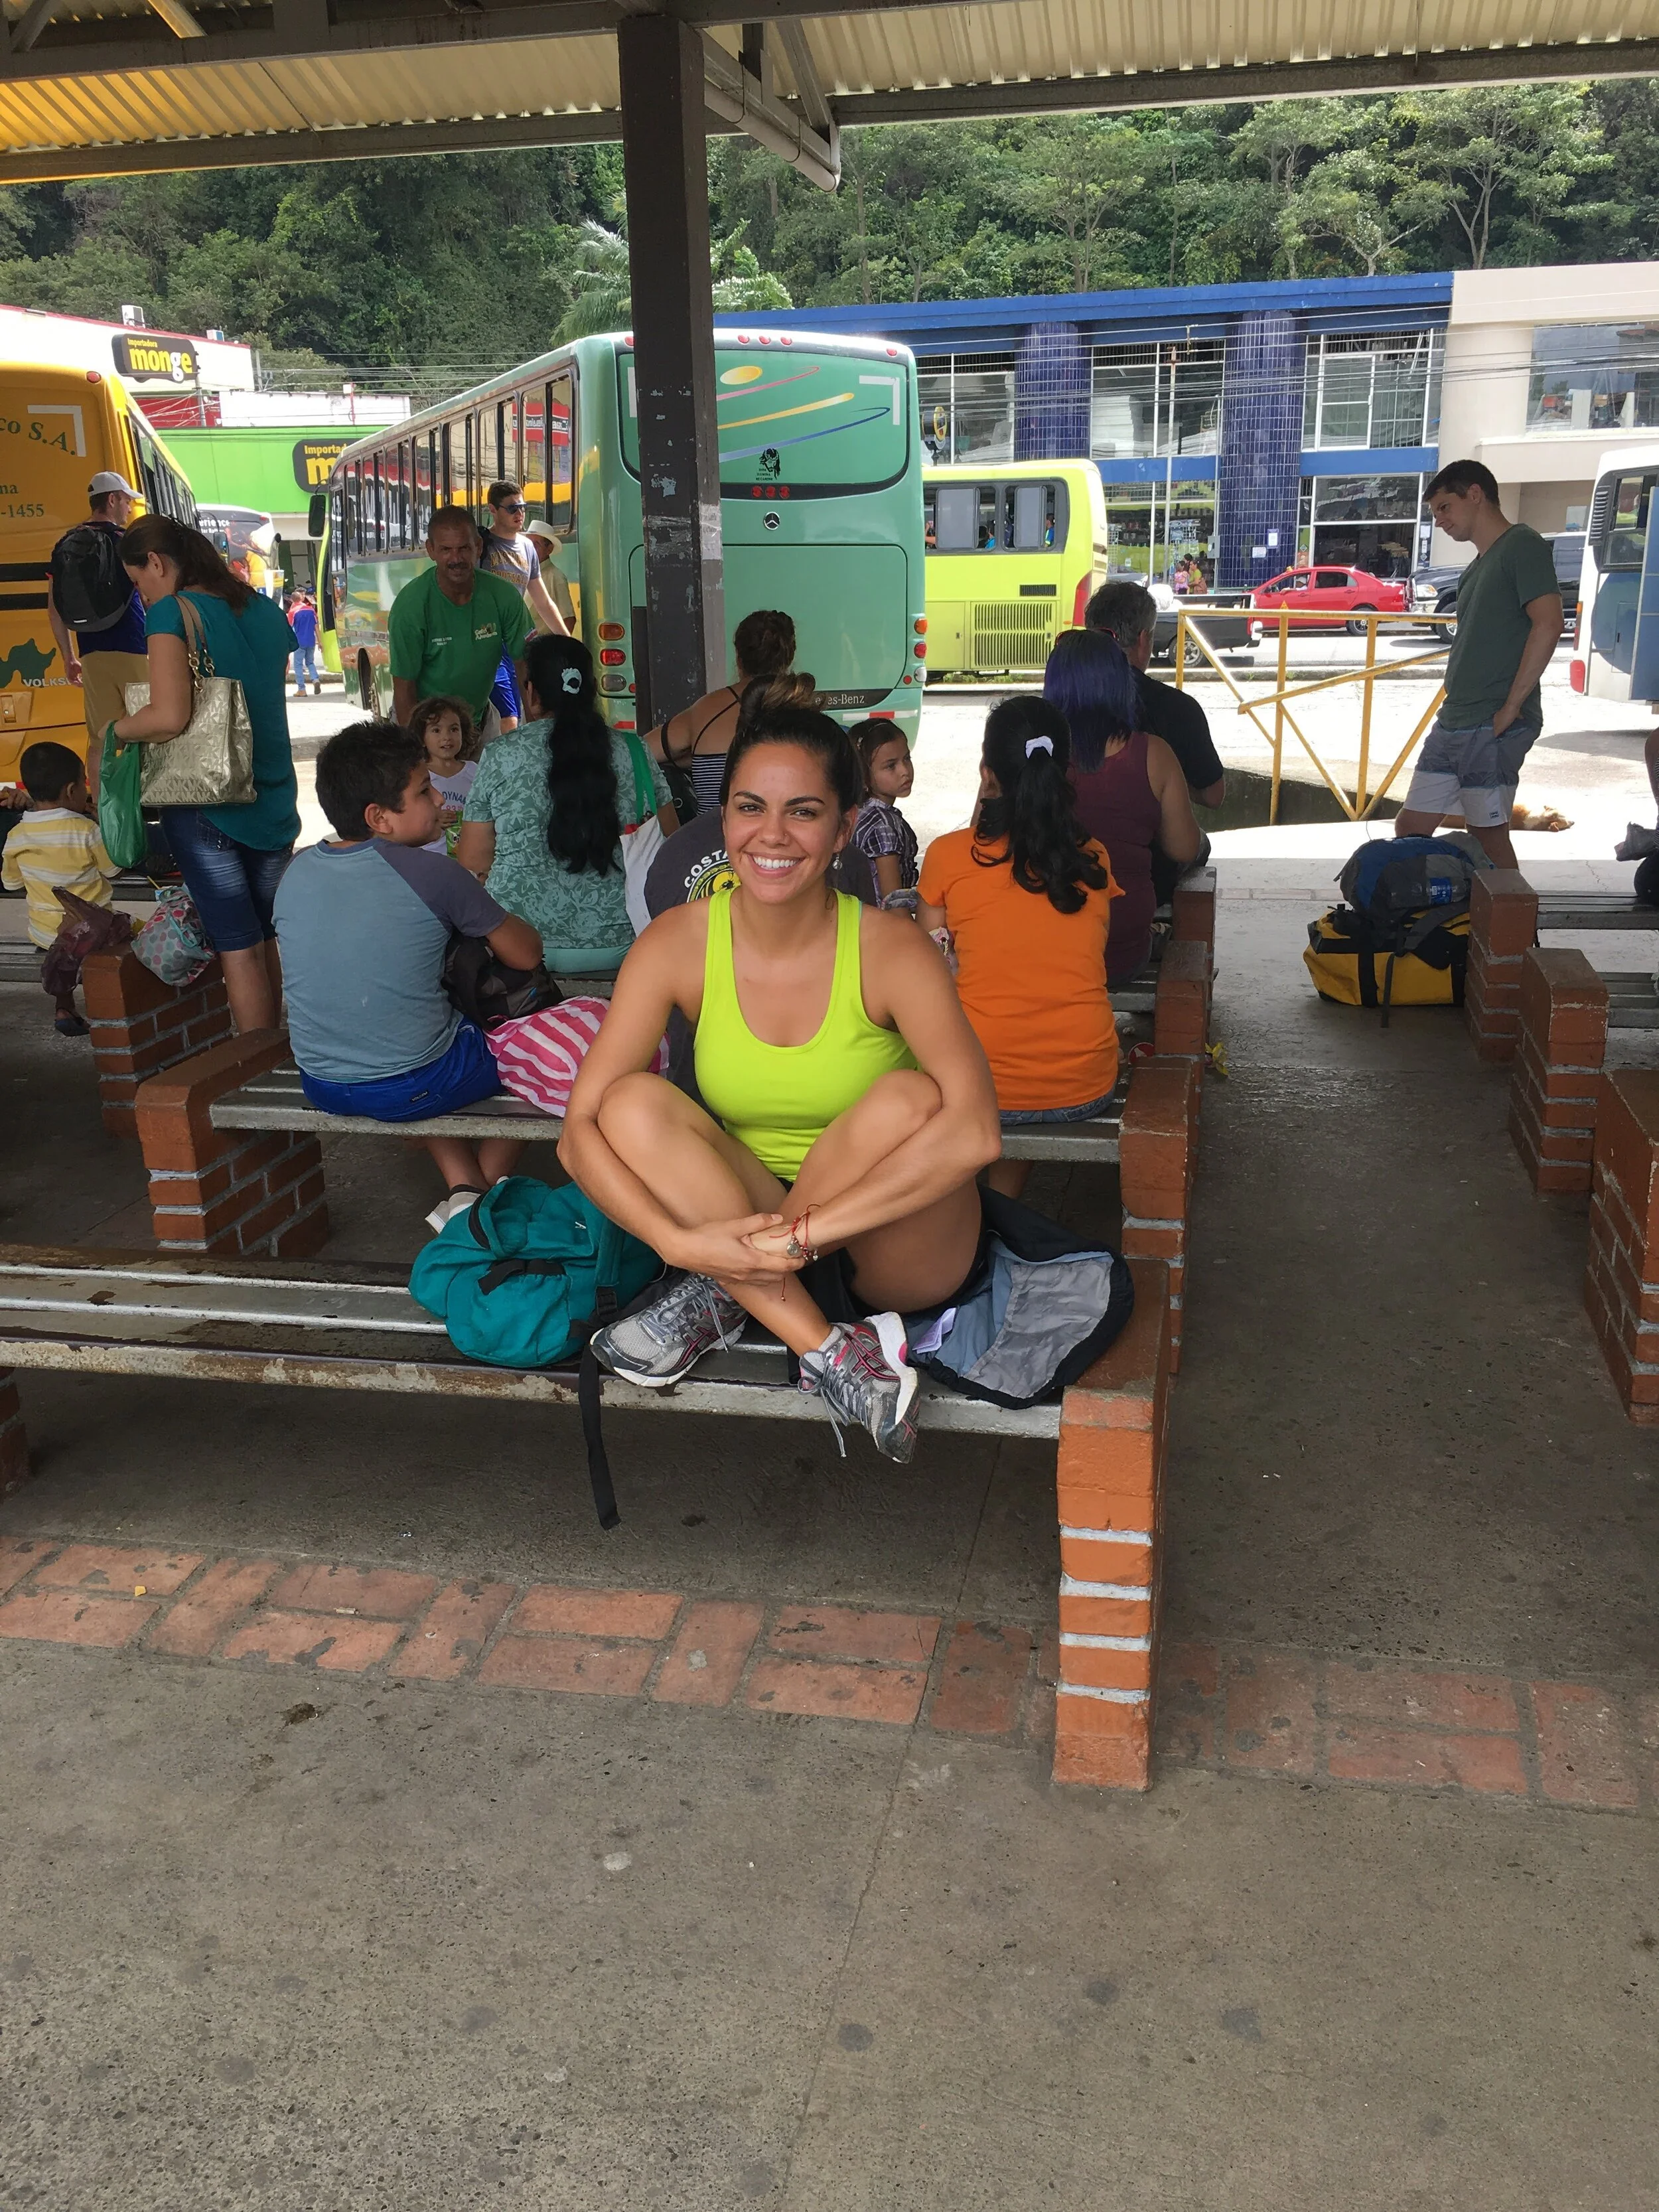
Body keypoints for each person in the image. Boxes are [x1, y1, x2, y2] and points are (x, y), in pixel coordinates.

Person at [558, 704, 1002, 1463]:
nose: (771, 835)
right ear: (722, 818)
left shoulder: (892, 948)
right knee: (626, 1102)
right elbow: (578, 1133)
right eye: (749, 807)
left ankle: (726, 1294)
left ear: (842, 829)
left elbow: (976, 1132)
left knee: (914, 1100)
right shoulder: (680, 942)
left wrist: (786, 1242)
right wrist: (679, 1241)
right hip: (745, 1223)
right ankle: (833, 1352)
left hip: (889, 1244)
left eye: (803, 812)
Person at [273, 720, 543, 1230]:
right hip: (413, 1079)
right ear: (380, 817)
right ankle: (480, 1201)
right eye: (423, 790)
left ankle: (465, 1185)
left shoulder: (297, 870)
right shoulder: (435, 874)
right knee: (546, 1045)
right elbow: (527, 953)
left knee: (425, 1026)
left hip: (322, 1079)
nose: (440, 796)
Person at [918, 698, 1120, 1200]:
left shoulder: (947, 856)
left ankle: (971, 1216)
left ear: (987, 773)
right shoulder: (1094, 856)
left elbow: (932, 968)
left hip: (980, 1091)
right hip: (1085, 1085)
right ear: (1064, 769)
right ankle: (1000, 1209)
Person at [111, 515, 300, 1036]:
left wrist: (116, 730)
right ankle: (275, 1057)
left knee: (236, 946)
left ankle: (255, 1075)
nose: (143, 595)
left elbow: (170, 716)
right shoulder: (261, 607)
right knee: (264, 937)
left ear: (156, 562)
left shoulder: (173, 613)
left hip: (209, 803)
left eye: (139, 582)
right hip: (275, 795)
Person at [455, 633, 675, 984]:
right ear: (592, 690)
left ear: (531, 692)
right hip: (624, 945)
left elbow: (473, 862)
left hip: (520, 948)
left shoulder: (500, 755)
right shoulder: (634, 751)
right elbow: (670, 844)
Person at [1393, 461, 1565, 871]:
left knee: (1488, 835)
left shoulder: (1521, 544)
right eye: (1435, 513)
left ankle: (1514, 931)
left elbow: (1550, 622)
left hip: (1491, 718)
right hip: (1455, 718)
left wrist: (1511, 707)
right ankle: (1445, 914)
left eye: (1445, 508)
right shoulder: (1475, 568)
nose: (1441, 521)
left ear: (1475, 494)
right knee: (1411, 828)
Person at [1043, 627, 1202, 987]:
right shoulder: (1153, 754)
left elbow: (981, 837)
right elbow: (1184, 848)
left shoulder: (1029, 755)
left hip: (1039, 954)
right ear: (1121, 684)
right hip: (1119, 954)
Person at [1085, 577, 1224, 905]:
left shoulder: (1061, 704)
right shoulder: (1175, 710)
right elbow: (1214, 796)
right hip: (1145, 883)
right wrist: (1167, 784)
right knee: (1197, 842)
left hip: (1064, 876)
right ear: (1145, 640)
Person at [0, 739, 119, 1035]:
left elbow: (10, 883)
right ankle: (112, 1012)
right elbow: (113, 870)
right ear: (71, 791)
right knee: (130, 934)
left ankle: (64, 1007)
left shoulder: (17, 836)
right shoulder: (86, 831)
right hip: (93, 935)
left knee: (63, 947)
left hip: (45, 935)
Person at [390, 508, 530, 742]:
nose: (456, 559)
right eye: (446, 550)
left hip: (480, 721)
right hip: (424, 726)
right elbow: (404, 688)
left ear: (478, 547)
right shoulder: (411, 606)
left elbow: (525, 664)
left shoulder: (503, 596)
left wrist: (537, 730)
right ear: (431, 550)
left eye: (464, 548)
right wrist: (416, 752)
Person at [46, 470, 145, 793]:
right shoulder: (125, 542)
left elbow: (55, 607)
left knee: (100, 740)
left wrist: (69, 657)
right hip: (135, 647)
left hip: (91, 653)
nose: (129, 508)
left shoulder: (65, 546)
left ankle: (106, 819)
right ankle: (153, 806)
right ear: (112, 499)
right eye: (127, 501)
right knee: (150, 729)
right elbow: (148, 594)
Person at [643, 609, 796, 815]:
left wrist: (695, 759)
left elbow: (641, 752)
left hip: (711, 843)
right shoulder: (803, 708)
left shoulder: (707, 710)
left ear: (739, 657)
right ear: (789, 657)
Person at [478, 479, 570, 734]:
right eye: (512, 508)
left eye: (523, 507)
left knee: (533, 705)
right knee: (510, 713)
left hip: (518, 637)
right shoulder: (482, 545)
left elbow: (542, 600)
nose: (520, 514)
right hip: (487, 639)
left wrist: (567, 641)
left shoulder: (528, 547)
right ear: (493, 510)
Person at [849, 719, 920, 911]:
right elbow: (894, 903)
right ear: (864, 775)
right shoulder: (883, 825)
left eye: (907, 759)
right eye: (891, 766)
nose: (905, 771)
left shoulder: (859, 813)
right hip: (884, 926)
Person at [409, 694, 479, 856]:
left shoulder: (474, 772)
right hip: (430, 856)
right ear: (422, 739)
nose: (446, 737)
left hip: (468, 854)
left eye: (454, 729)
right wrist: (434, 821)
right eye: (436, 730)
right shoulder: (419, 776)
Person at [289, 590, 323, 697]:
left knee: (298, 665)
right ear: (302, 599)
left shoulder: (293, 612)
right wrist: (320, 642)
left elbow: (289, 629)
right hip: (311, 641)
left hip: (299, 642)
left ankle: (302, 689)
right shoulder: (311, 610)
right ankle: (315, 679)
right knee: (310, 663)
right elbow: (316, 627)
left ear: (292, 600)